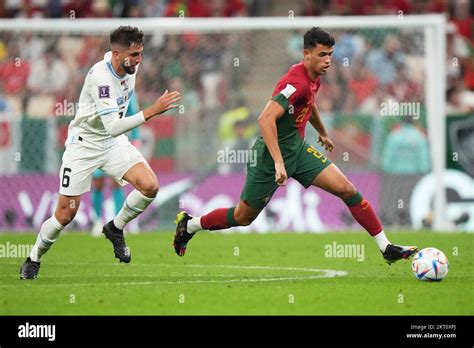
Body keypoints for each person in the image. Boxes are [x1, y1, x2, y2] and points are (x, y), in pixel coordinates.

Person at [173, 27, 417, 263]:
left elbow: (308, 104)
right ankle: (190, 224)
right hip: (270, 159)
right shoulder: (295, 82)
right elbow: (265, 118)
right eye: (322, 55)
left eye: (330, 55)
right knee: (242, 217)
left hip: (297, 152)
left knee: (348, 190)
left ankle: (386, 247)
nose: (328, 60)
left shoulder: (314, 79)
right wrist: (279, 163)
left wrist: (322, 132)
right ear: (306, 55)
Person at [20, 26, 180, 279]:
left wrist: (137, 127)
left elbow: (122, 115)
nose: (139, 60)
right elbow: (113, 126)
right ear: (117, 53)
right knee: (65, 214)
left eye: (141, 54)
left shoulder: (130, 68)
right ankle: (34, 257)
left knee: (150, 186)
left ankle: (115, 228)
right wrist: (151, 111)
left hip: (112, 144)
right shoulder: (99, 77)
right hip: (84, 146)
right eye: (135, 54)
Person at [90, 93, 142, 236]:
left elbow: (133, 113)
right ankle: (97, 221)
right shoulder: (100, 86)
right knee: (98, 182)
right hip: (98, 141)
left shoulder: (128, 89)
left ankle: (118, 223)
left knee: (117, 182)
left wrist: (136, 138)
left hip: (118, 142)